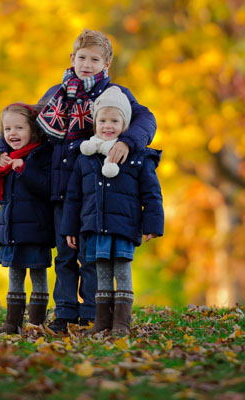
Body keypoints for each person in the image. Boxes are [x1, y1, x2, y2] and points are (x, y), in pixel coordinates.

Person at [0, 29, 156, 333]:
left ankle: (94, 314)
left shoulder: (114, 95)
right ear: (72, 58)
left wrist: (129, 142)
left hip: (95, 191)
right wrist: (1, 148)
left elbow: (146, 119)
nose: (87, 64)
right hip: (59, 190)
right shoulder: (57, 94)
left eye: (95, 59)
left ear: (106, 64)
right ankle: (65, 314)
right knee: (65, 255)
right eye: (82, 57)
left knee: (91, 255)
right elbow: (22, 122)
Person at [62, 86, 164, 335]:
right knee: (101, 273)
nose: (108, 125)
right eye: (103, 120)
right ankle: (102, 320)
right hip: (94, 226)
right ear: (94, 123)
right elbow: (74, 197)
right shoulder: (85, 158)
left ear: (125, 124)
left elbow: (151, 194)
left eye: (115, 121)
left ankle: (121, 322)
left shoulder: (138, 157)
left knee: (122, 270)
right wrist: (70, 229)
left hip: (124, 226)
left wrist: (152, 225)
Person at [0, 103, 54, 334]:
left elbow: (47, 188)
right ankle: (12, 322)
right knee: (14, 275)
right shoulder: (5, 160)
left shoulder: (41, 156)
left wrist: (24, 170)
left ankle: (36, 322)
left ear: (33, 130)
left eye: (19, 128)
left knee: (37, 274)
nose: (12, 133)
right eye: (8, 129)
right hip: (11, 229)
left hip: (36, 229)